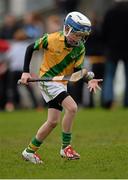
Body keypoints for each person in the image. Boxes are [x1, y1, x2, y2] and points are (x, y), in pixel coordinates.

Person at [20, 11, 102, 164]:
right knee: (72, 108)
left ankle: (29, 151)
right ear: (67, 29)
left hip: (61, 83)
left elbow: (77, 73)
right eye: (77, 34)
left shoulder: (80, 48)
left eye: (82, 36)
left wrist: (89, 80)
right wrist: (25, 72)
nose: (79, 38)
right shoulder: (51, 39)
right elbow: (30, 48)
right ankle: (66, 147)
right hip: (47, 80)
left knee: (52, 121)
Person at [101, 0, 128, 108]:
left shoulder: (110, 12)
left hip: (112, 49)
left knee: (109, 76)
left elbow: (104, 31)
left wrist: (106, 44)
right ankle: (126, 102)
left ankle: (108, 99)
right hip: (127, 49)